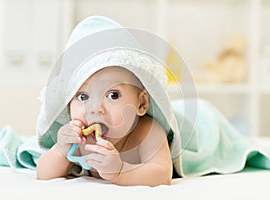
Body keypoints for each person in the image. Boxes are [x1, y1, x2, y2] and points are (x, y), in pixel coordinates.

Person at [36, 66, 173, 186]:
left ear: (141, 103)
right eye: (83, 97)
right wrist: (61, 150)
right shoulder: (79, 138)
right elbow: (44, 174)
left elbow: (163, 174)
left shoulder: (147, 131)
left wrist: (120, 171)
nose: (95, 108)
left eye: (113, 95)